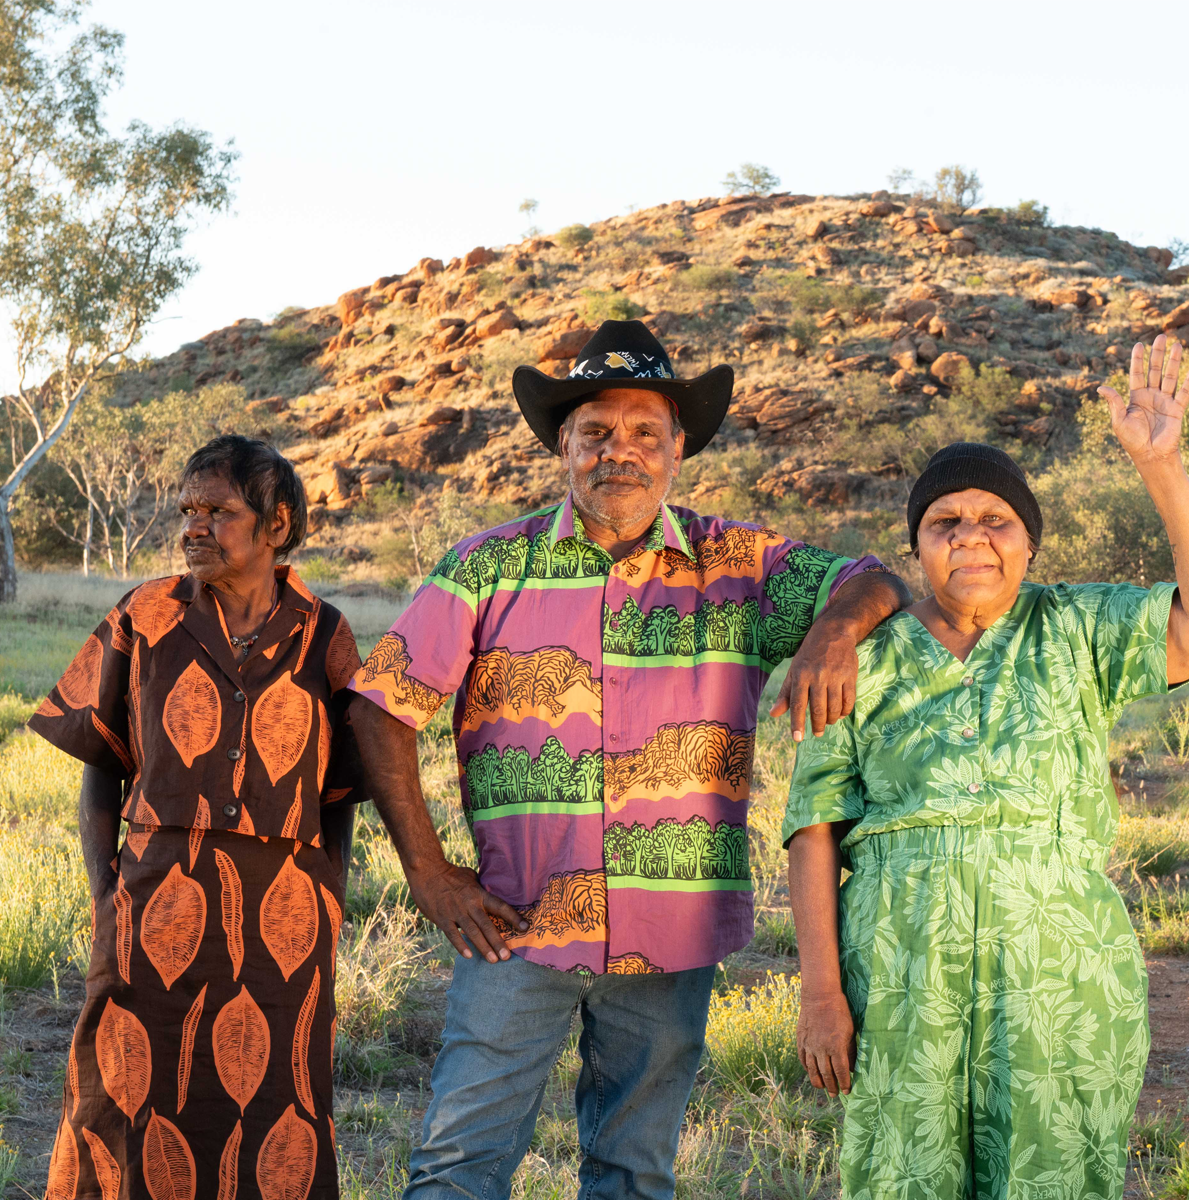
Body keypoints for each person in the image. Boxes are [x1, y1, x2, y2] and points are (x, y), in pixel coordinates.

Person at [347, 318, 914, 1200]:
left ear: (678, 449)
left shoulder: (738, 565)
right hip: (515, 924)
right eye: (596, 432)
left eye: (646, 432)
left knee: (635, 1174)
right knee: (459, 1165)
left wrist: (835, 629)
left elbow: (878, 579)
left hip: (672, 932)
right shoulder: (487, 569)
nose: (622, 452)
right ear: (561, 445)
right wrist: (427, 872)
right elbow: (381, 705)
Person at [783, 335, 1189, 1200]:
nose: (972, 538)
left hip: (1058, 968)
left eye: (995, 520)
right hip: (899, 967)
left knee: (1054, 1169)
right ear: (917, 547)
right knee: (902, 1174)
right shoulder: (859, 659)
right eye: (944, 522)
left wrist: (1163, 468)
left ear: (1029, 544)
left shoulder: (1074, 627)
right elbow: (812, 827)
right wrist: (820, 994)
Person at [32, 436, 365, 1200]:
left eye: (220, 511)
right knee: (121, 1096)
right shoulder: (144, 616)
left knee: (278, 1104)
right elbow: (100, 763)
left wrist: (328, 905)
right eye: (188, 510)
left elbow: (340, 796)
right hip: (150, 912)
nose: (195, 527)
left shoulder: (325, 634)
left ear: (278, 525)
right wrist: (103, 894)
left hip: (284, 929)